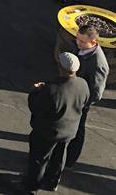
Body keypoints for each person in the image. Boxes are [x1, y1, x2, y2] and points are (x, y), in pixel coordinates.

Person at [22, 53, 89, 193]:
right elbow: (84, 101)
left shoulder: (51, 89)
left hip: (48, 132)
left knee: (39, 160)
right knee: (59, 157)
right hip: (69, 130)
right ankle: (52, 182)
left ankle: (31, 188)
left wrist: (35, 91)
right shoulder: (83, 84)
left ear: (60, 67)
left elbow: (36, 107)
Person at [62, 24, 110, 171]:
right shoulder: (83, 49)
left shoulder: (98, 64)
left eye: (82, 42)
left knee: (77, 130)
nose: (78, 43)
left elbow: (96, 93)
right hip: (72, 95)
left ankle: (70, 159)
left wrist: (82, 103)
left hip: (80, 103)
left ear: (94, 42)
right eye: (77, 39)